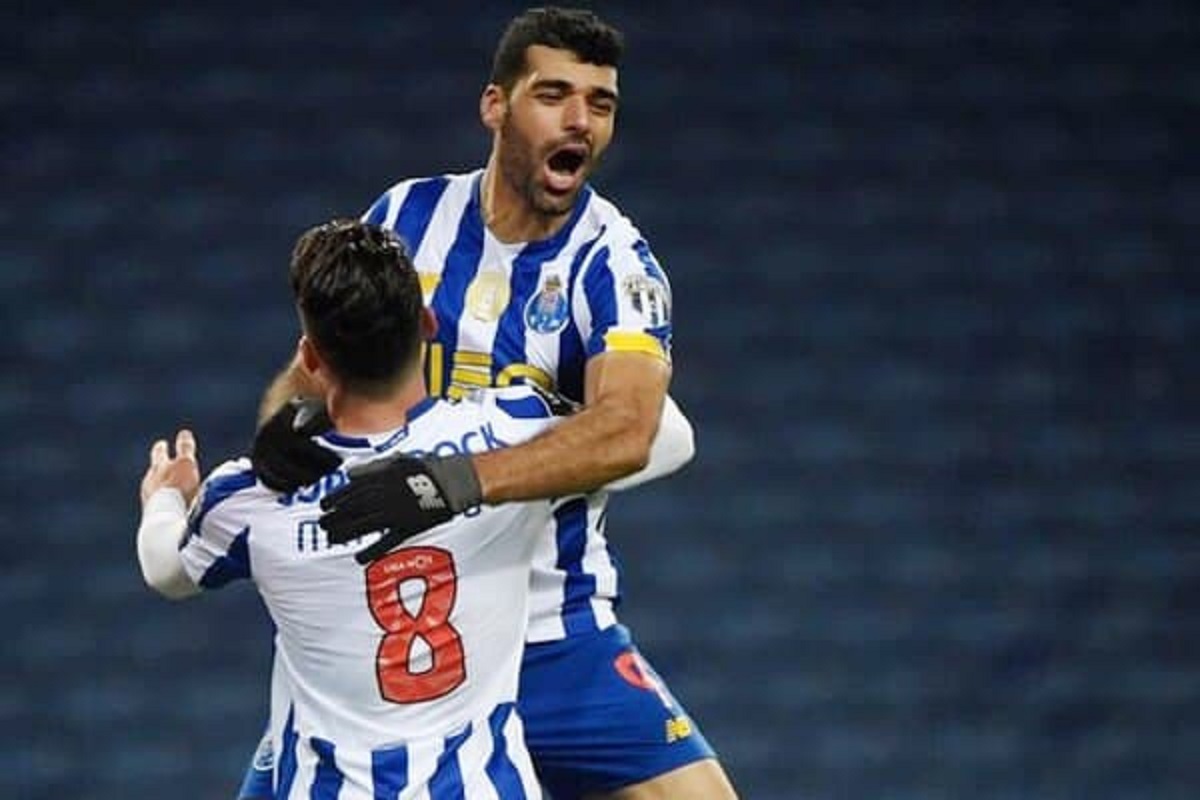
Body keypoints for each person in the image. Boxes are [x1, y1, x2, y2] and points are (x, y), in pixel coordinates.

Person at [250, 8, 738, 799]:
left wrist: (454, 482)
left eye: (600, 103)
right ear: (495, 106)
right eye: (553, 94)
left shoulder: (615, 264)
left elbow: (628, 429)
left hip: (551, 632)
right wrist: (286, 419)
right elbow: (314, 375)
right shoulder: (404, 220)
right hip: (392, 624)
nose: (579, 120)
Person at [136, 220, 695, 798]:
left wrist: (166, 497)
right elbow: (661, 436)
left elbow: (165, 569)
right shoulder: (511, 431)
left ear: (311, 357)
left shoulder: (249, 496)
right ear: (429, 325)